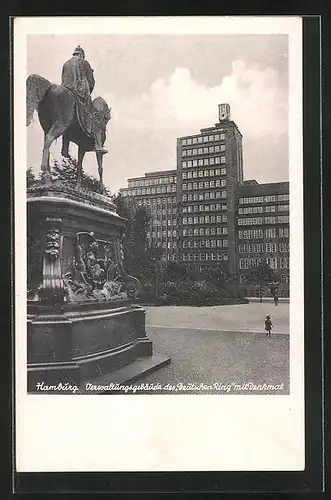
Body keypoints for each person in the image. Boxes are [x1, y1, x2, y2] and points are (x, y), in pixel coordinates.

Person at [61, 45, 108, 154]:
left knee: (63, 119)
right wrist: (88, 92)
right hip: (79, 93)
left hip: (65, 92)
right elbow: (91, 81)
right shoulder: (84, 63)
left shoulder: (66, 64)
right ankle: (98, 144)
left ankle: (64, 147)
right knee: (94, 116)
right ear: (82, 55)